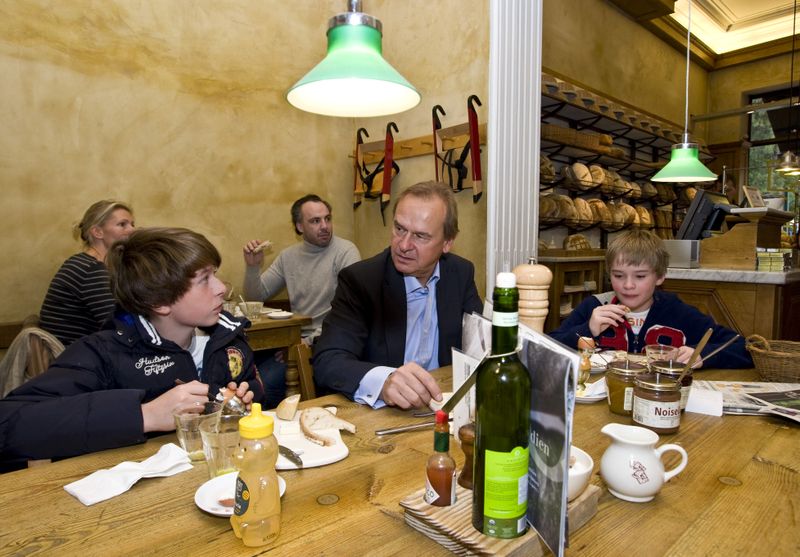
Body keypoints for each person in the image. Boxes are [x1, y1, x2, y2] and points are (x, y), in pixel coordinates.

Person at [0, 227, 264, 470]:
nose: (222, 288)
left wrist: (241, 401)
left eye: (215, 274)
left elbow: (252, 390)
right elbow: (9, 423)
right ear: (160, 301)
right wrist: (143, 415)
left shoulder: (229, 337)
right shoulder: (103, 352)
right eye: (205, 279)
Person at [312, 181, 483, 410]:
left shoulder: (460, 273)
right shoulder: (361, 280)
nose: (403, 245)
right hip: (381, 415)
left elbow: (480, 346)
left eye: (420, 236)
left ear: (447, 243)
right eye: (399, 229)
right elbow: (328, 361)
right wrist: (383, 381)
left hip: (443, 405)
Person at [548, 229, 751, 368]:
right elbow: (546, 349)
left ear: (660, 276)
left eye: (640, 276)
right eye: (618, 276)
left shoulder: (678, 313)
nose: (628, 285)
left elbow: (742, 347)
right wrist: (587, 330)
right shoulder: (595, 307)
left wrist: (701, 355)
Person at [242, 194, 360, 407]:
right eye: (315, 221)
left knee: (263, 386)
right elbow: (255, 299)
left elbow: (352, 309)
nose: (324, 226)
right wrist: (252, 267)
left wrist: (309, 340)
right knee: (244, 376)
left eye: (327, 218)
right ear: (299, 226)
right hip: (292, 341)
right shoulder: (288, 256)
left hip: (327, 341)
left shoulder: (345, 251)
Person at [39, 200, 136, 346]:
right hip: (75, 359)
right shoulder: (90, 270)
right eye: (122, 224)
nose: (132, 230)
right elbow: (121, 325)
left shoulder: (86, 263)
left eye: (132, 224)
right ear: (97, 232)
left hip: (81, 353)